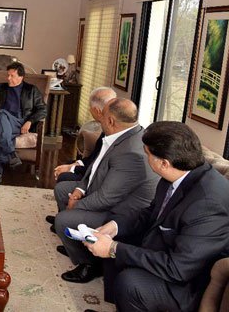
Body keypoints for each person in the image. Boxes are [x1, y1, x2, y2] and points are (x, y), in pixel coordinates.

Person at [85, 121, 229, 312]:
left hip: (190, 284)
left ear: (164, 163)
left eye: (147, 154)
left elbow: (179, 269)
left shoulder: (207, 203)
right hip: (170, 249)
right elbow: (151, 214)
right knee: (114, 233)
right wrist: (114, 226)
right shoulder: (177, 175)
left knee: (130, 282)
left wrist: (113, 249)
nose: (146, 158)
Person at [54, 98, 159, 284]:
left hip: (120, 212)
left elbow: (106, 198)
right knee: (63, 190)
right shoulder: (119, 134)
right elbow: (94, 167)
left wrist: (77, 206)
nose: (99, 118)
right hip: (102, 189)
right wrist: (79, 189)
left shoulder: (132, 152)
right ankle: (76, 243)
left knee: (64, 219)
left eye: (102, 115)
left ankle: (88, 264)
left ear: (110, 121)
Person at [45, 87, 116, 231]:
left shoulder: (112, 129)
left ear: (96, 110)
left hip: (100, 178)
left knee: (65, 176)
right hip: (94, 170)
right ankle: (63, 216)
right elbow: (96, 157)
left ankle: (67, 221)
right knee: (65, 168)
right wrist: (75, 163)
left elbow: (98, 164)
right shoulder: (107, 126)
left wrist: (72, 168)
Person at [0, 61, 47, 184]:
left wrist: (30, 121)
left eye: (12, 76)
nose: (8, 78)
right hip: (0, 119)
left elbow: (43, 109)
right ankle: (11, 154)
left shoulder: (31, 90)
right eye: (8, 75)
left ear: (21, 77)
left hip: (19, 123)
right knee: (1, 115)